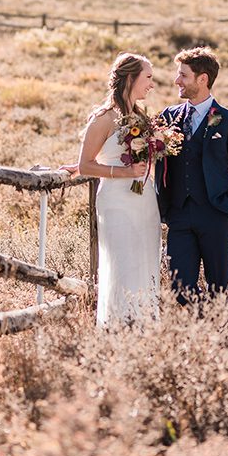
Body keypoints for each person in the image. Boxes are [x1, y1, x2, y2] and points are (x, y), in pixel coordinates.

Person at [154, 47, 228, 304]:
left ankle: (217, 337)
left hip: (217, 215)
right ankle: (204, 324)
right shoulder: (168, 117)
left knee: (220, 290)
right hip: (179, 216)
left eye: (183, 75)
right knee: (179, 288)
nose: (177, 81)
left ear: (202, 79)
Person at [70, 53, 162, 327]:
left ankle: (144, 328)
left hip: (144, 201)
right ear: (131, 78)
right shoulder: (103, 118)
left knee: (147, 264)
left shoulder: (142, 118)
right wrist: (124, 172)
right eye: (148, 77)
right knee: (124, 265)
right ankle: (120, 329)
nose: (152, 84)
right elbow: (85, 165)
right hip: (117, 202)